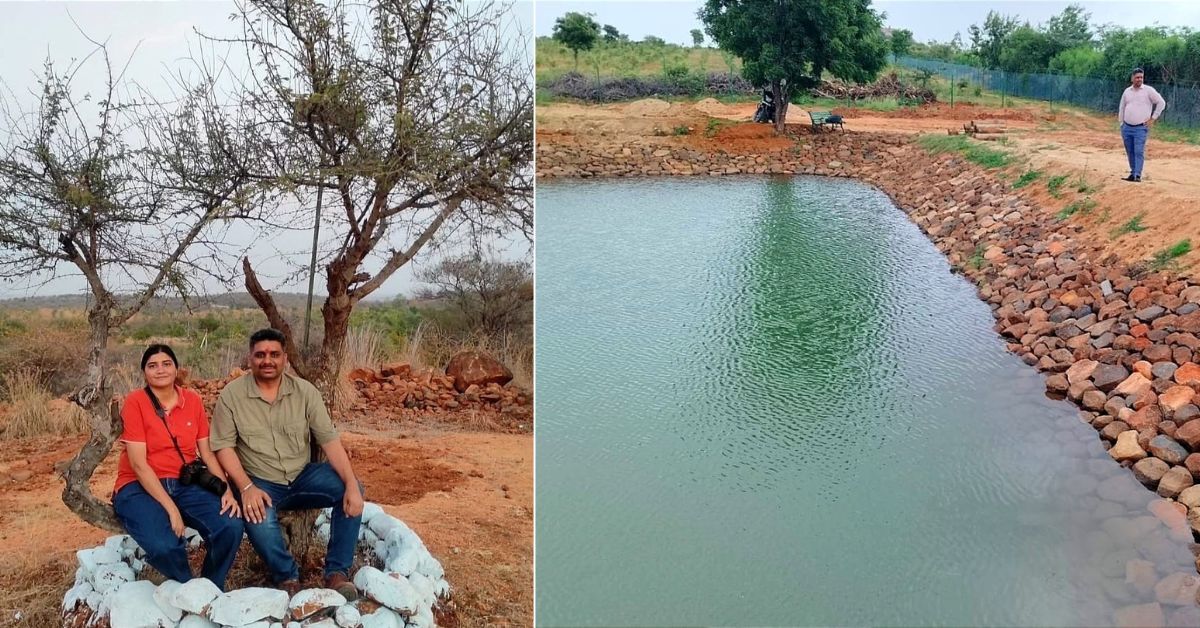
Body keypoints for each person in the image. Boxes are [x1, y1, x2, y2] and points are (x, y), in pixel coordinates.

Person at [211, 328, 364, 599]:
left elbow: (329, 441)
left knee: (352, 489)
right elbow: (223, 447)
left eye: (274, 354)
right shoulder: (231, 396)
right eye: (260, 355)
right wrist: (246, 488)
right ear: (250, 358)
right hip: (260, 482)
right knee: (257, 519)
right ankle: (288, 578)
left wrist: (351, 483)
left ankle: (336, 573)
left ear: (285, 359)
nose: (267, 360)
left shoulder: (305, 392)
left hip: (302, 477)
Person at [112, 344, 244, 591]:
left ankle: (210, 588)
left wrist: (224, 490)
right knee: (164, 545)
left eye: (166, 364)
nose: (160, 370)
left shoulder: (192, 400)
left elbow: (206, 451)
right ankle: (187, 588)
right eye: (152, 366)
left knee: (230, 525)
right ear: (144, 372)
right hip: (138, 485)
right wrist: (171, 509)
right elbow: (139, 465)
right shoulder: (135, 402)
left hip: (184, 482)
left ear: (176, 368)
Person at [1117, 68, 1166, 182]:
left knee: (1138, 151)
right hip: (1127, 127)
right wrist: (1121, 123)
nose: (1139, 79)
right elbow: (1122, 107)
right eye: (1137, 77)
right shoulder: (1127, 92)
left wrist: (1153, 118)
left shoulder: (1148, 91)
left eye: (1141, 77)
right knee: (1130, 151)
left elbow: (1161, 102)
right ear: (1132, 78)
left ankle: (1137, 174)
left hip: (1140, 128)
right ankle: (1133, 172)